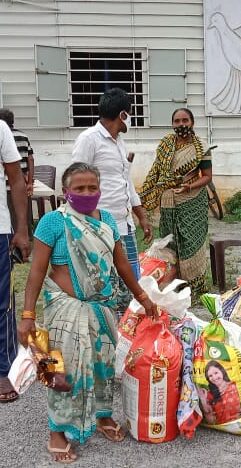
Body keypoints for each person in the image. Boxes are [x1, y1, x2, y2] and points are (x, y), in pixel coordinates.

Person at [17, 162, 157, 463]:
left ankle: (103, 415)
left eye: (92, 187)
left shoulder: (106, 220)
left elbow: (122, 265)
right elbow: (37, 272)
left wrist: (144, 298)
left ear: (100, 190)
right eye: (79, 188)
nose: (86, 192)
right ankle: (57, 430)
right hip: (65, 311)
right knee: (60, 371)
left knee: (103, 366)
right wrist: (28, 314)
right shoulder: (53, 223)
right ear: (65, 192)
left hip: (102, 308)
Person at [72, 88, 152, 315]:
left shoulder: (119, 143)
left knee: (131, 281)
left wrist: (141, 216)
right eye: (130, 113)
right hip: (100, 227)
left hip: (124, 224)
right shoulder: (89, 140)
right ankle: (109, 334)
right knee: (105, 285)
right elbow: (74, 180)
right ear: (122, 115)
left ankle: (127, 334)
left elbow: (126, 182)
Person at [139, 108, 212, 296]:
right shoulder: (165, 145)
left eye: (185, 120)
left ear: (192, 123)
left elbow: (207, 177)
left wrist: (188, 187)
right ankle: (173, 284)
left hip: (192, 200)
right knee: (170, 241)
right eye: (177, 121)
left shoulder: (201, 147)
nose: (181, 125)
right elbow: (157, 173)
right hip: (168, 200)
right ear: (172, 124)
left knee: (190, 241)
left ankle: (193, 285)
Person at [0, 119, 30, 403]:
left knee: (1, 302)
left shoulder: (0, 128)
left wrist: (22, 229)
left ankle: (3, 369)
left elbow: (16, 180)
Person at [0, 108, 34, 196]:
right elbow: (30, 159)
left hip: (3, 186)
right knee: (23, 209)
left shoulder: (2, 137)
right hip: (22, 185)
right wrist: (30, 182)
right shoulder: (23, 136)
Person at [198, 361, 241, 425]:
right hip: (222, 428)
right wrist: (203, 400)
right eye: (210, 376)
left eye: (216, 373)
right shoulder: (210, 395)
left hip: (240, 425)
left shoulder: (235, 386)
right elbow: (210, 420)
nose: (214, 377)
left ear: (222, 371)